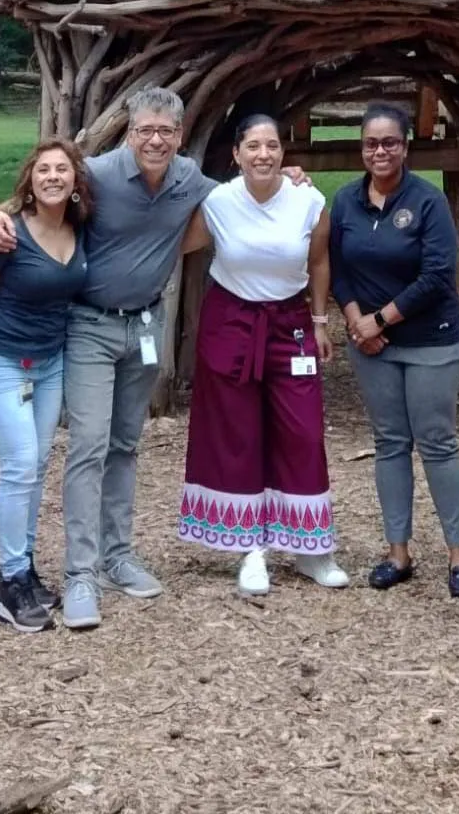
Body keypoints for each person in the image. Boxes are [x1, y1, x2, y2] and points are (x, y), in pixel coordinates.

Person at [0, 87, 311, 629]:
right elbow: (42, 191)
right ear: (129, 132)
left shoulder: (190, 181)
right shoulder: (98, 174)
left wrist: (289, 175)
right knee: (88, 446)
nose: (155, 140)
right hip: (90, 325)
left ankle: (117, 556)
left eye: (165, 132)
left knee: (125, 444)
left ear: (179, 137)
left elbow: (247, 189)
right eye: (144, 131)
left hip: (146, 325)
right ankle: (80, 573)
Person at [175, 115, 348, 594]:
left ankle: (312, 548)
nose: (264, 155)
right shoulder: (217, 202)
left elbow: (318, 261)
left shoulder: (308, 200)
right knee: (239, 432)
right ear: (236, 154)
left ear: (283, 151)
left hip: (289, 324)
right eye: (253, 146)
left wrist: (318, 320)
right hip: (231, 323)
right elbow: (172, 240)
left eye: (272, 145)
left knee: (303, 430)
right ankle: (251, 549)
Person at [330, 103, 459, 598]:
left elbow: (438, 274)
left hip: (429, 339)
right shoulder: (348, 202)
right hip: (371, 345)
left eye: (390, 142)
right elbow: (339, 266)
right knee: (390, 442)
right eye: (371, 143)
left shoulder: (429, 201)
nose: (380, 151)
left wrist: (380, 319)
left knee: (436, 441)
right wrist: (355, 320)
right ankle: (398, 550)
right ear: (362, 148)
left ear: (406, 145)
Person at [0, 139, 90, 633]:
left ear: (76, 181)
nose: (53, 177)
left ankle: (25, 570)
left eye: (63, 170)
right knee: (19, 465)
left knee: (37, 464)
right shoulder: (7, 234)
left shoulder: (79, 228)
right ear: (30, 179)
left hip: (50, 363)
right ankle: (9, 582)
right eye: (44, 170)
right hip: (0, 360)